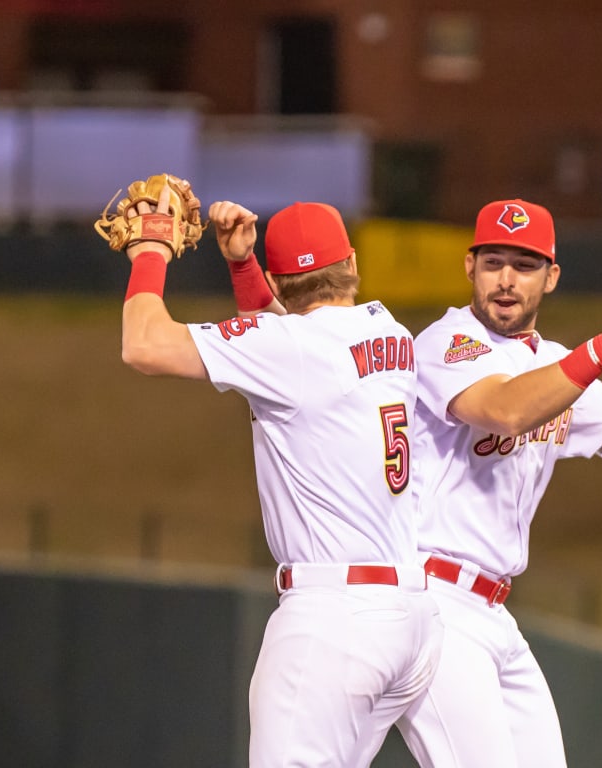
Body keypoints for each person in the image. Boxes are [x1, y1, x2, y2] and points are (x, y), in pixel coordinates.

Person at [375, 198, 602, 768]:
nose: (506, 280)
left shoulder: (555, 366)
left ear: (551, 276)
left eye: (525, 265)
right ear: (470, 267)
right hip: (433, 602)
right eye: (494, 262)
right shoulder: (447, 343)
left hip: (492, 613)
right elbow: (505, 410)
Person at [116, 187, 442, 767]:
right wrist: (241, 264)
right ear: (354, 265)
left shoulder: (289, 348)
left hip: (334, 620)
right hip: (409, 619)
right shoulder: (390, 333)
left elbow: (144, 344)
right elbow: (284, 346)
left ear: (278, 276)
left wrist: (151, 250)